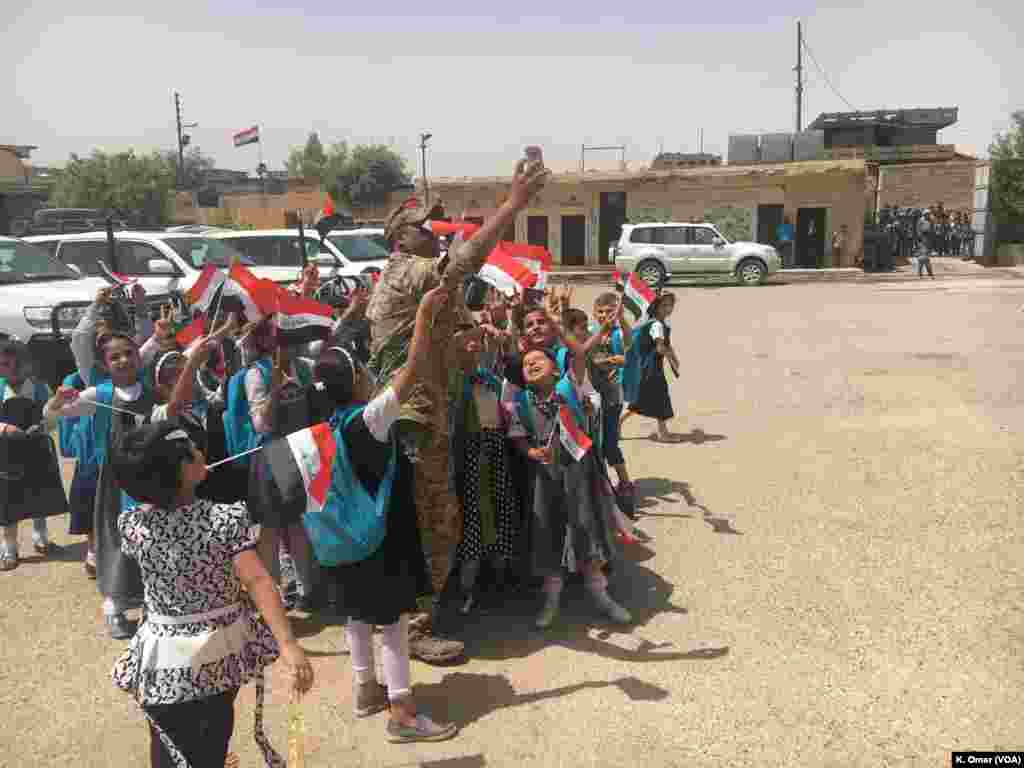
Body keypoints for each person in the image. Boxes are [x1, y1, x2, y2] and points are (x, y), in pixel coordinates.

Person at [365, 149, 548, 663]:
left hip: (429, 415)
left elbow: (457, 328)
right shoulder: (407, 273)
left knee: (438, 517)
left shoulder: (418, 279)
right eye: (424, 226)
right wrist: (512, 205)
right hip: (416, 420)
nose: (434, 231)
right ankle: (414, 627)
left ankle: (420, 613)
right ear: (399, 238)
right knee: (430, 520)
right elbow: (464, 262)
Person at [109, 421, 313, 768]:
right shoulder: (223, 520)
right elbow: (259, 581)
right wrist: (288, 644)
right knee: (213, 730)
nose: (201, 451)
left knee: (167, 742)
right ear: (184, 471)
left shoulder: (132, 525)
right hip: (217, 653)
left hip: (161, 658)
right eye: (192, 449)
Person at [314, 286, 458, 742]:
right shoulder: (369, 419)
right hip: (380, 536)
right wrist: (423, 315)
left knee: (356, 616)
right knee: (392, 623)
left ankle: (365, 689)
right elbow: (412, 369)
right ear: (356, 380)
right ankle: (403, 711)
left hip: (340, 538)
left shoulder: (319, 426)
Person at [509, 349, 630, 629]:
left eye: (538, 360)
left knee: (585, 527)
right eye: (526, 363)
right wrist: (530, 452)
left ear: (555, 370)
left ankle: (600, 594)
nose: (531, 364)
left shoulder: (569, 389)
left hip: (577, 472)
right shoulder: (522, 404)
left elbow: (578, 353)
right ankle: (551, 600)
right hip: (545, 477)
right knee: (549, 532)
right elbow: (518, 438)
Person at [450, 325, 520, 615]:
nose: (474, 345)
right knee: (472, 517)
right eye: (466, 341)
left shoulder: (489, 379)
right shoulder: (452, 381)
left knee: (501, 506)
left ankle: (498, 579)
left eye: (477, 341)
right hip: (467, 456)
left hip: (495, 452)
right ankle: (466, 588)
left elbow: (507, 407)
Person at [0, 340, 64, 571]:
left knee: (39, 494)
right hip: (6, 453)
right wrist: (5, 428)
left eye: (19, 364)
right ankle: (9, 548)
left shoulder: (39, 388)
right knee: (7, 502)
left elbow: (51, 416)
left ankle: (41, 537)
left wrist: (44, 426)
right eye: (6, 364)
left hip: (36, 448)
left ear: (29, 365)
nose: (14, 369)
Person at [587, 293, 635, 515]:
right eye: (601, 311)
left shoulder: (617, 333)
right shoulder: (591, 333)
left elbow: (628, 341)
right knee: (594, 442)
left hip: (612, 398)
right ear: (594, 313)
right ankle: (601, 484)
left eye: (610, 312)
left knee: (609, 443)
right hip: (591, 398)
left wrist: (623, 320)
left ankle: (625, 482)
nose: (605, 315)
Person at [621, 293, 680, 443]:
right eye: (664, 305)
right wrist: (672, 357)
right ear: (656, 307)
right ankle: (663, 434)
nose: (668, 309)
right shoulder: (657, 325)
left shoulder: (654, 323)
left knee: (645, 400)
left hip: (649, 367)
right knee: (660, 398)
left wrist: (672, 355)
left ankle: (617, 425)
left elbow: (664, 345)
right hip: (651, 368)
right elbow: (660, 348)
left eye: (670, 305)